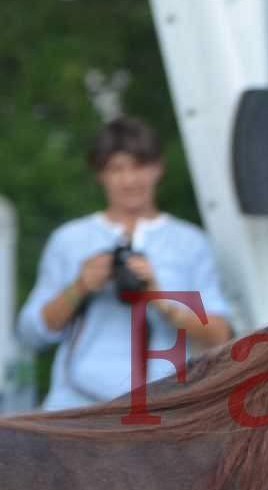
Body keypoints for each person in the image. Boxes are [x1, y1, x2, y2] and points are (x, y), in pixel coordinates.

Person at [17, 117, 234, 410]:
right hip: (76, 411)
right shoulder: (70, 240)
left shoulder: (190, 242)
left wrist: (160, 299)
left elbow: (220, 335)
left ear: (158, 168)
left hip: (164, 412)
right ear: (100, 174)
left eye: (139, 166)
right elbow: (30, 334)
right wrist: (80, 287)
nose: (130, 180)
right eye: (116, 169)